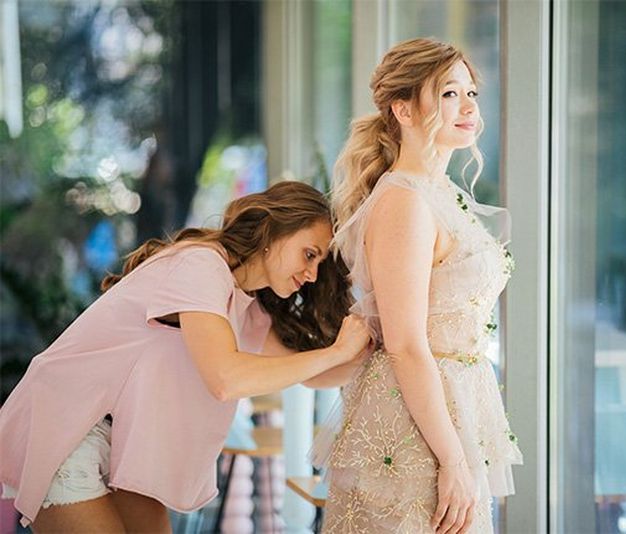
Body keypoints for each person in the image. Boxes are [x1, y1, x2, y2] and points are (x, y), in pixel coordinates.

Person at [0, 180, 371, 532]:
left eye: (320, 263)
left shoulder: (246, 308)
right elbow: (225, 378)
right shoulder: (200, 266)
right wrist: (338, 351)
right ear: (274, 231)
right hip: (72, 424)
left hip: (125, 441)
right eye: (310, 254)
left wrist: (373, 356)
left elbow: (306, 374)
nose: (311, 274)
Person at [310, 38, 523, 534]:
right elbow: (405, 343)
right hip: (414, 424)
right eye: (449, 94)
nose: (469, 106)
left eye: (471, 92)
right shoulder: (405, 202)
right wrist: (452, 460)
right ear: (402, 108)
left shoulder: (440, 192)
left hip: (452, 407)